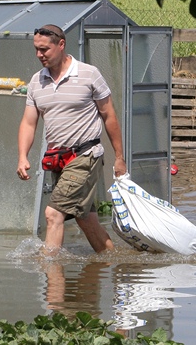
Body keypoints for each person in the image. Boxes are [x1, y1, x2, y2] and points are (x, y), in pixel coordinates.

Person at [16, 24, 127, 255]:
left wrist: (119, 157)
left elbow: (109, 115)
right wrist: (22, 156)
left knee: (53, 214)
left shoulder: (89, 74)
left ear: (61, 45)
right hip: (58, 159)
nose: (39, 55)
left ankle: (51, 274)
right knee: (85, 219)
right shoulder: (37, 81)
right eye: (36, 49)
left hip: (86, 155)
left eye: (44, 49)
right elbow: (29, 122)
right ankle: (114, 261)